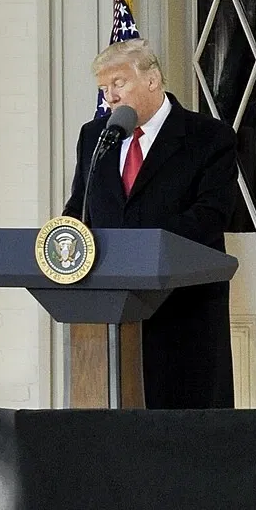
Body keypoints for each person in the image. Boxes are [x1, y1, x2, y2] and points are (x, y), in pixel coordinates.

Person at [63, 37, 239, 409]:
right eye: (103, 88)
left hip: (183, 307)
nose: (109, 96)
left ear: (152, 80)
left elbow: (212, 214)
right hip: (107, 309)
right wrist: (62, 240)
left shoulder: (208, 137)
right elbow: (81, 205)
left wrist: (143, 252)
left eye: (118, 83)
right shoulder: (94, 136)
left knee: (184, 428)